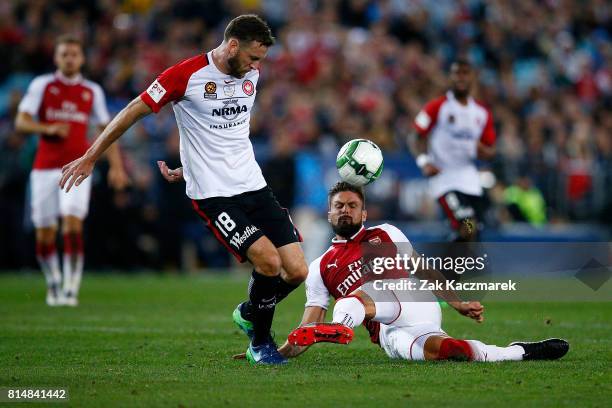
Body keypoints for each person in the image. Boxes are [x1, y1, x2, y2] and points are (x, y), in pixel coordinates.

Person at [59, 15, 308, 365]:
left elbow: (224, 133)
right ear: (233, 45)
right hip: (214, 194)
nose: (256, 65)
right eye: (253, 57)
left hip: (254, 185)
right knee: (267, 261)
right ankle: (261, 342)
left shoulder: (250, 74)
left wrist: (188, 164)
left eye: (260, 60)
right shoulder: (185, 76)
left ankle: (250, 311)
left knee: (297, 270)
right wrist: (90, 156)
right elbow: (132, 111)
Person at [276, 182, 569, 362]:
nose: (345, 211)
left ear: (364, 214)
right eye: (338, 206)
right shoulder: (320, 268)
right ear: (328, 214)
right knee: (452, 352)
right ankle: (519, 352)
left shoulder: (386, 233)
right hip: (390, 333)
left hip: (415, 301)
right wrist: (274, 355)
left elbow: (424, 270)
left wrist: (457, 303)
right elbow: (307, 330)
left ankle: (341, 326)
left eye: (353, 205)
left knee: (356, 297)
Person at [15, 35, 128, 307]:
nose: (69, 59)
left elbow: (106, 131)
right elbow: (21, 121)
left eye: (74, 54)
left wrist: (116, 166)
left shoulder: (92, 91)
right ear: (56, 58)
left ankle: (70, 288)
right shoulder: (43, 85)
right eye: (64, 54)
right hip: (44, 168)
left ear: (82, 58)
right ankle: (53, 280)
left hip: (77, 168)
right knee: (44, 232)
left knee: (73, 225)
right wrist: (47, 129)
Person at [409, 59, 496, 241]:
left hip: (469, 179)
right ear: (450, 76)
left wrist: (483, 152)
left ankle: (452, 261)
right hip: (444, 178)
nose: (460, 78)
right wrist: (424, 162)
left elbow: (490, 149)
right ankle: (451, 262)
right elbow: (416, 135)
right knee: (467, 223)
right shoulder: (437, 107)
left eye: (465, 73)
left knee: (474, 229)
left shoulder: (481, 113)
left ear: (472, 77)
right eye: (457, 73)